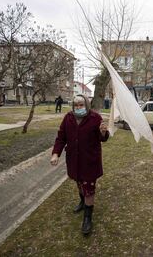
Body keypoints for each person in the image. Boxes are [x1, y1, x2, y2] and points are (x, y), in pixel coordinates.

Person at [50, 94, 109, 235]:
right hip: (73, 160)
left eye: (81, 105)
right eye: (76, 105)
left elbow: (103, 138)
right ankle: (83, 202)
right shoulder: (68, 118)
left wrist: (103, 132)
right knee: (79, 183)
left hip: (89, 161)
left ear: (86, 105)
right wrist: (55, 153)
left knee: (89, 188)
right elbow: (61, 137)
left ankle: (87, 218)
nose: (78, 107)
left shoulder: (95, 118)